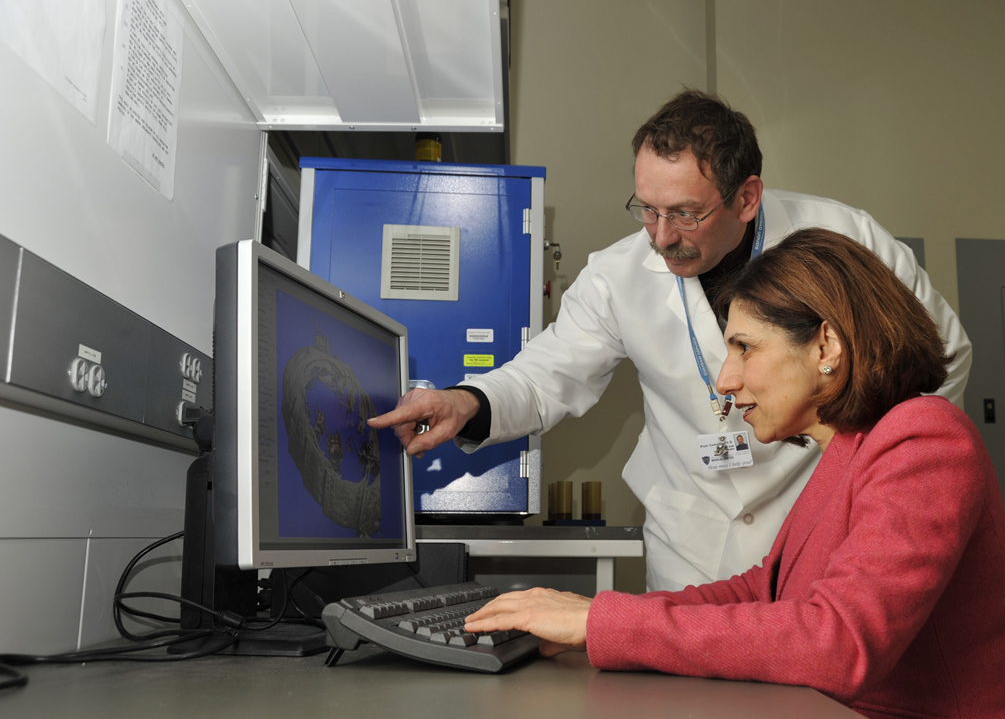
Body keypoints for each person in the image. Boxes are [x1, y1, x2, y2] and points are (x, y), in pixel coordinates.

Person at [463, 228, 1005, 719]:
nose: (725, 380)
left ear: (826, 344)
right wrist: (597, 617)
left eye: (744, 348)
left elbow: (839, 642)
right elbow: (764, 588)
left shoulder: (924, 438)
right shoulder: (851, 447)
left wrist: (603, 623)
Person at [369, 89, 972, 592]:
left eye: (685, 214)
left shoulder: (843, 237)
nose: (660, 237)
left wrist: (862, 469)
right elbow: (545, 375)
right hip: (694, 542)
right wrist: (466, 401)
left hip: (821, 520)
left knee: (815, 709)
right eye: (647, 209)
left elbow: (939, 354)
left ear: (747, 197)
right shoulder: (617, 274)